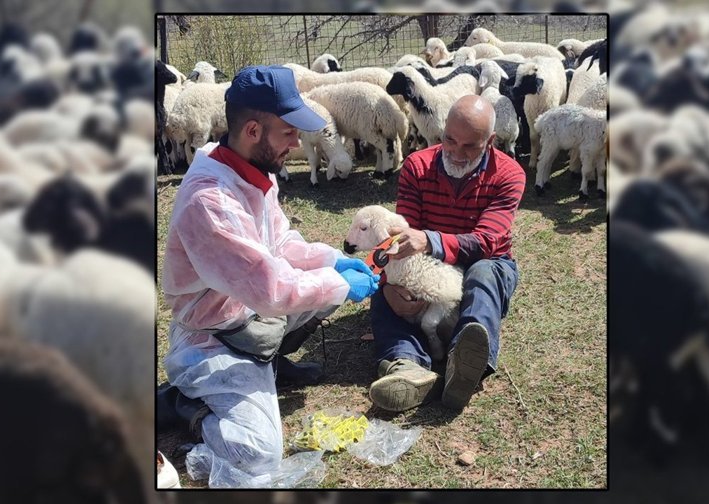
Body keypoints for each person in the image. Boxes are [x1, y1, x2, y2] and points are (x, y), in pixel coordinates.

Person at [160, 65, 379, 483]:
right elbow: (269, 289)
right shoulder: (211, 202)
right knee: (258, 454)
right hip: (213, 332)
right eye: (288, 133)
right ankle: (189, 404)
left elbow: (281, 245)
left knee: (325, 287)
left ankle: (270, 361)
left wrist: (332, 261)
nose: (297, 143)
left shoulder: (253, 174)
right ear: (254, 131)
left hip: (245, 308)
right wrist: (334, 282)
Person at [367, 95, 525, 413]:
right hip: (429, 264)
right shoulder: (417, 166)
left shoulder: (508, 174)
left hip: (484, 260)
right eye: (449, 140)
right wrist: (388, 284)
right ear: (443, 130)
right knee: (389, 288)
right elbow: (399, 237)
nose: (455, 151)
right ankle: (406, 366)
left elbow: (487, 240)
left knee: (484, 275)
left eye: (470, 146)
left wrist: (431, 240)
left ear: (491, 141)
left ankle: (463, 362)